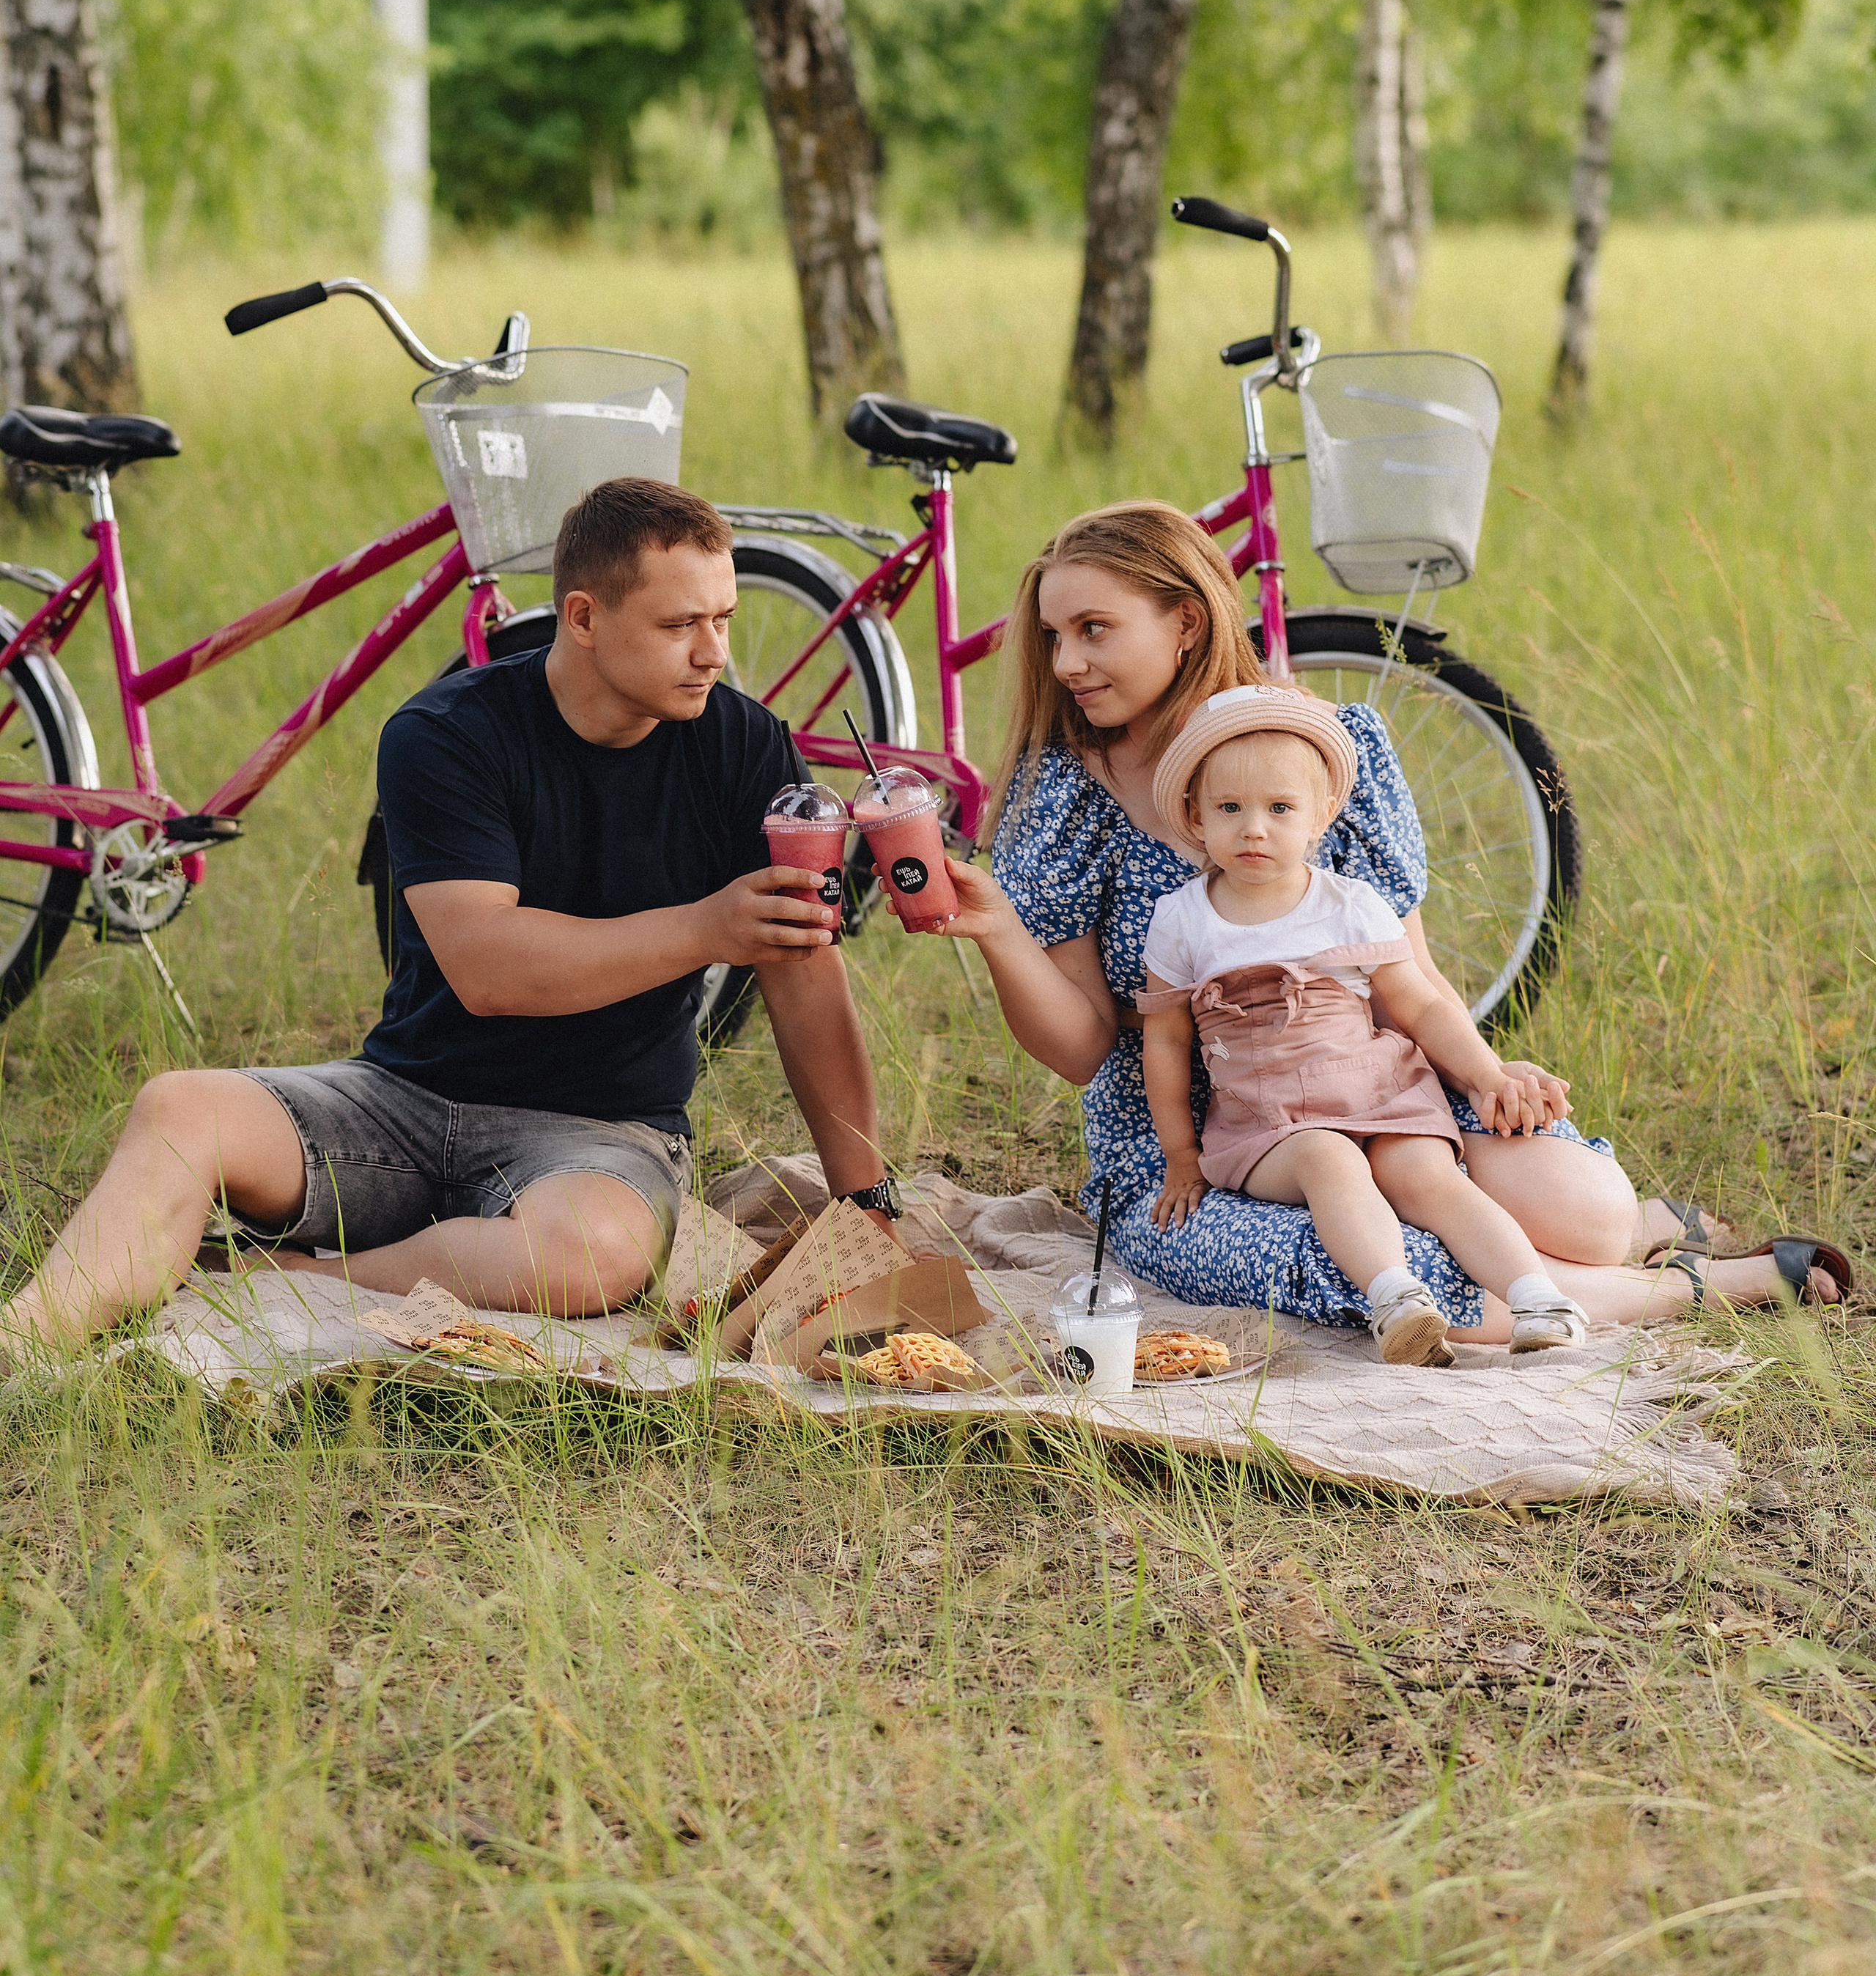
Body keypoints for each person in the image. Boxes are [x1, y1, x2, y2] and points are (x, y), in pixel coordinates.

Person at [0, 479, 894, 1356]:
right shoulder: (445, 733)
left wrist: (866, 1205)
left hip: (603, 1136)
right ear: (582, 617)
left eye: (723, 620)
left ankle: (298, 1277)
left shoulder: (744, 743)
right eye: (679, 625)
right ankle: (24, 1344)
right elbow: (489, 968)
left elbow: (801, 971)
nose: (714, 654)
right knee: (182, 1106)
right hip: (402, 1103)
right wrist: (706, 928)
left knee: (596, 1257)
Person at [945, 500, 1850, 1341]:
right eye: (1056, 636)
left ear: (1185, 622)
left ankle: (1633, 1232)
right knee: (1394, 1273)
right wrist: (997, 930)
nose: (1065, 664)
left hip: (1372, 1081)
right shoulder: (1059, 792)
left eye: (1093, 630)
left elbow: (1405, 980)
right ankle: (1705, 1287)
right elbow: (1084, 1049)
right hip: (1192, 1144)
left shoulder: (1332, 750)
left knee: (1588, 1211)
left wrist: (1482, 1073)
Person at [1140, 685, 1587, 1364]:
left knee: (1428, 1178)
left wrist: (1485, 1073)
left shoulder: (1352, 905)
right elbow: (1167, 1040)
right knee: (1330, 1160)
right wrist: (1179, 1156)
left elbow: (1421, 1004)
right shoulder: (1183, 920)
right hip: (1270, 1121)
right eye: (1230, 808)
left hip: (1377, 1092)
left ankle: (1537, 1299)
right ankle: (1397, 1301)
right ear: (1196, 817)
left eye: (1279, 808)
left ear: (1321, 816)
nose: (1254, 828)